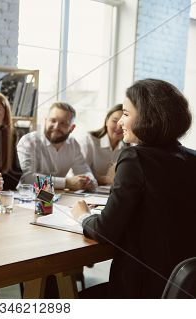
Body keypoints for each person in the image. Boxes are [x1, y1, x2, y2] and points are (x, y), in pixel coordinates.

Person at [72, 79, 196, 298]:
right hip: (182, 289)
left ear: (149, 118)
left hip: (140, 290)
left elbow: (104, 231)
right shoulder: (192, 159)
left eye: (126, 114)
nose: (119, 121)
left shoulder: (134, 157)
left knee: (64, 299)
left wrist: (83, 216)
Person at [17, 102, 97, 191]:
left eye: (63, 123)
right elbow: (26, 178)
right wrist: (66, 183)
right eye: (53, 120)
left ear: (72, 128)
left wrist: (89, 181)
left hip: (58, 199)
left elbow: (84, 170)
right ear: (45, 120)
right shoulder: (28, 141)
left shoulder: (73, 144)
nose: (56, 126)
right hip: (27, 198)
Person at [80, 104, 125, 185]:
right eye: (115, 121)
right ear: (107, 121)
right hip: (86, 190)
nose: (119, 127)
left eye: (123, 123)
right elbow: (80, 173)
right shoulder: (89, 140)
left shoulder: (129, 147)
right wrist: (105, 180)